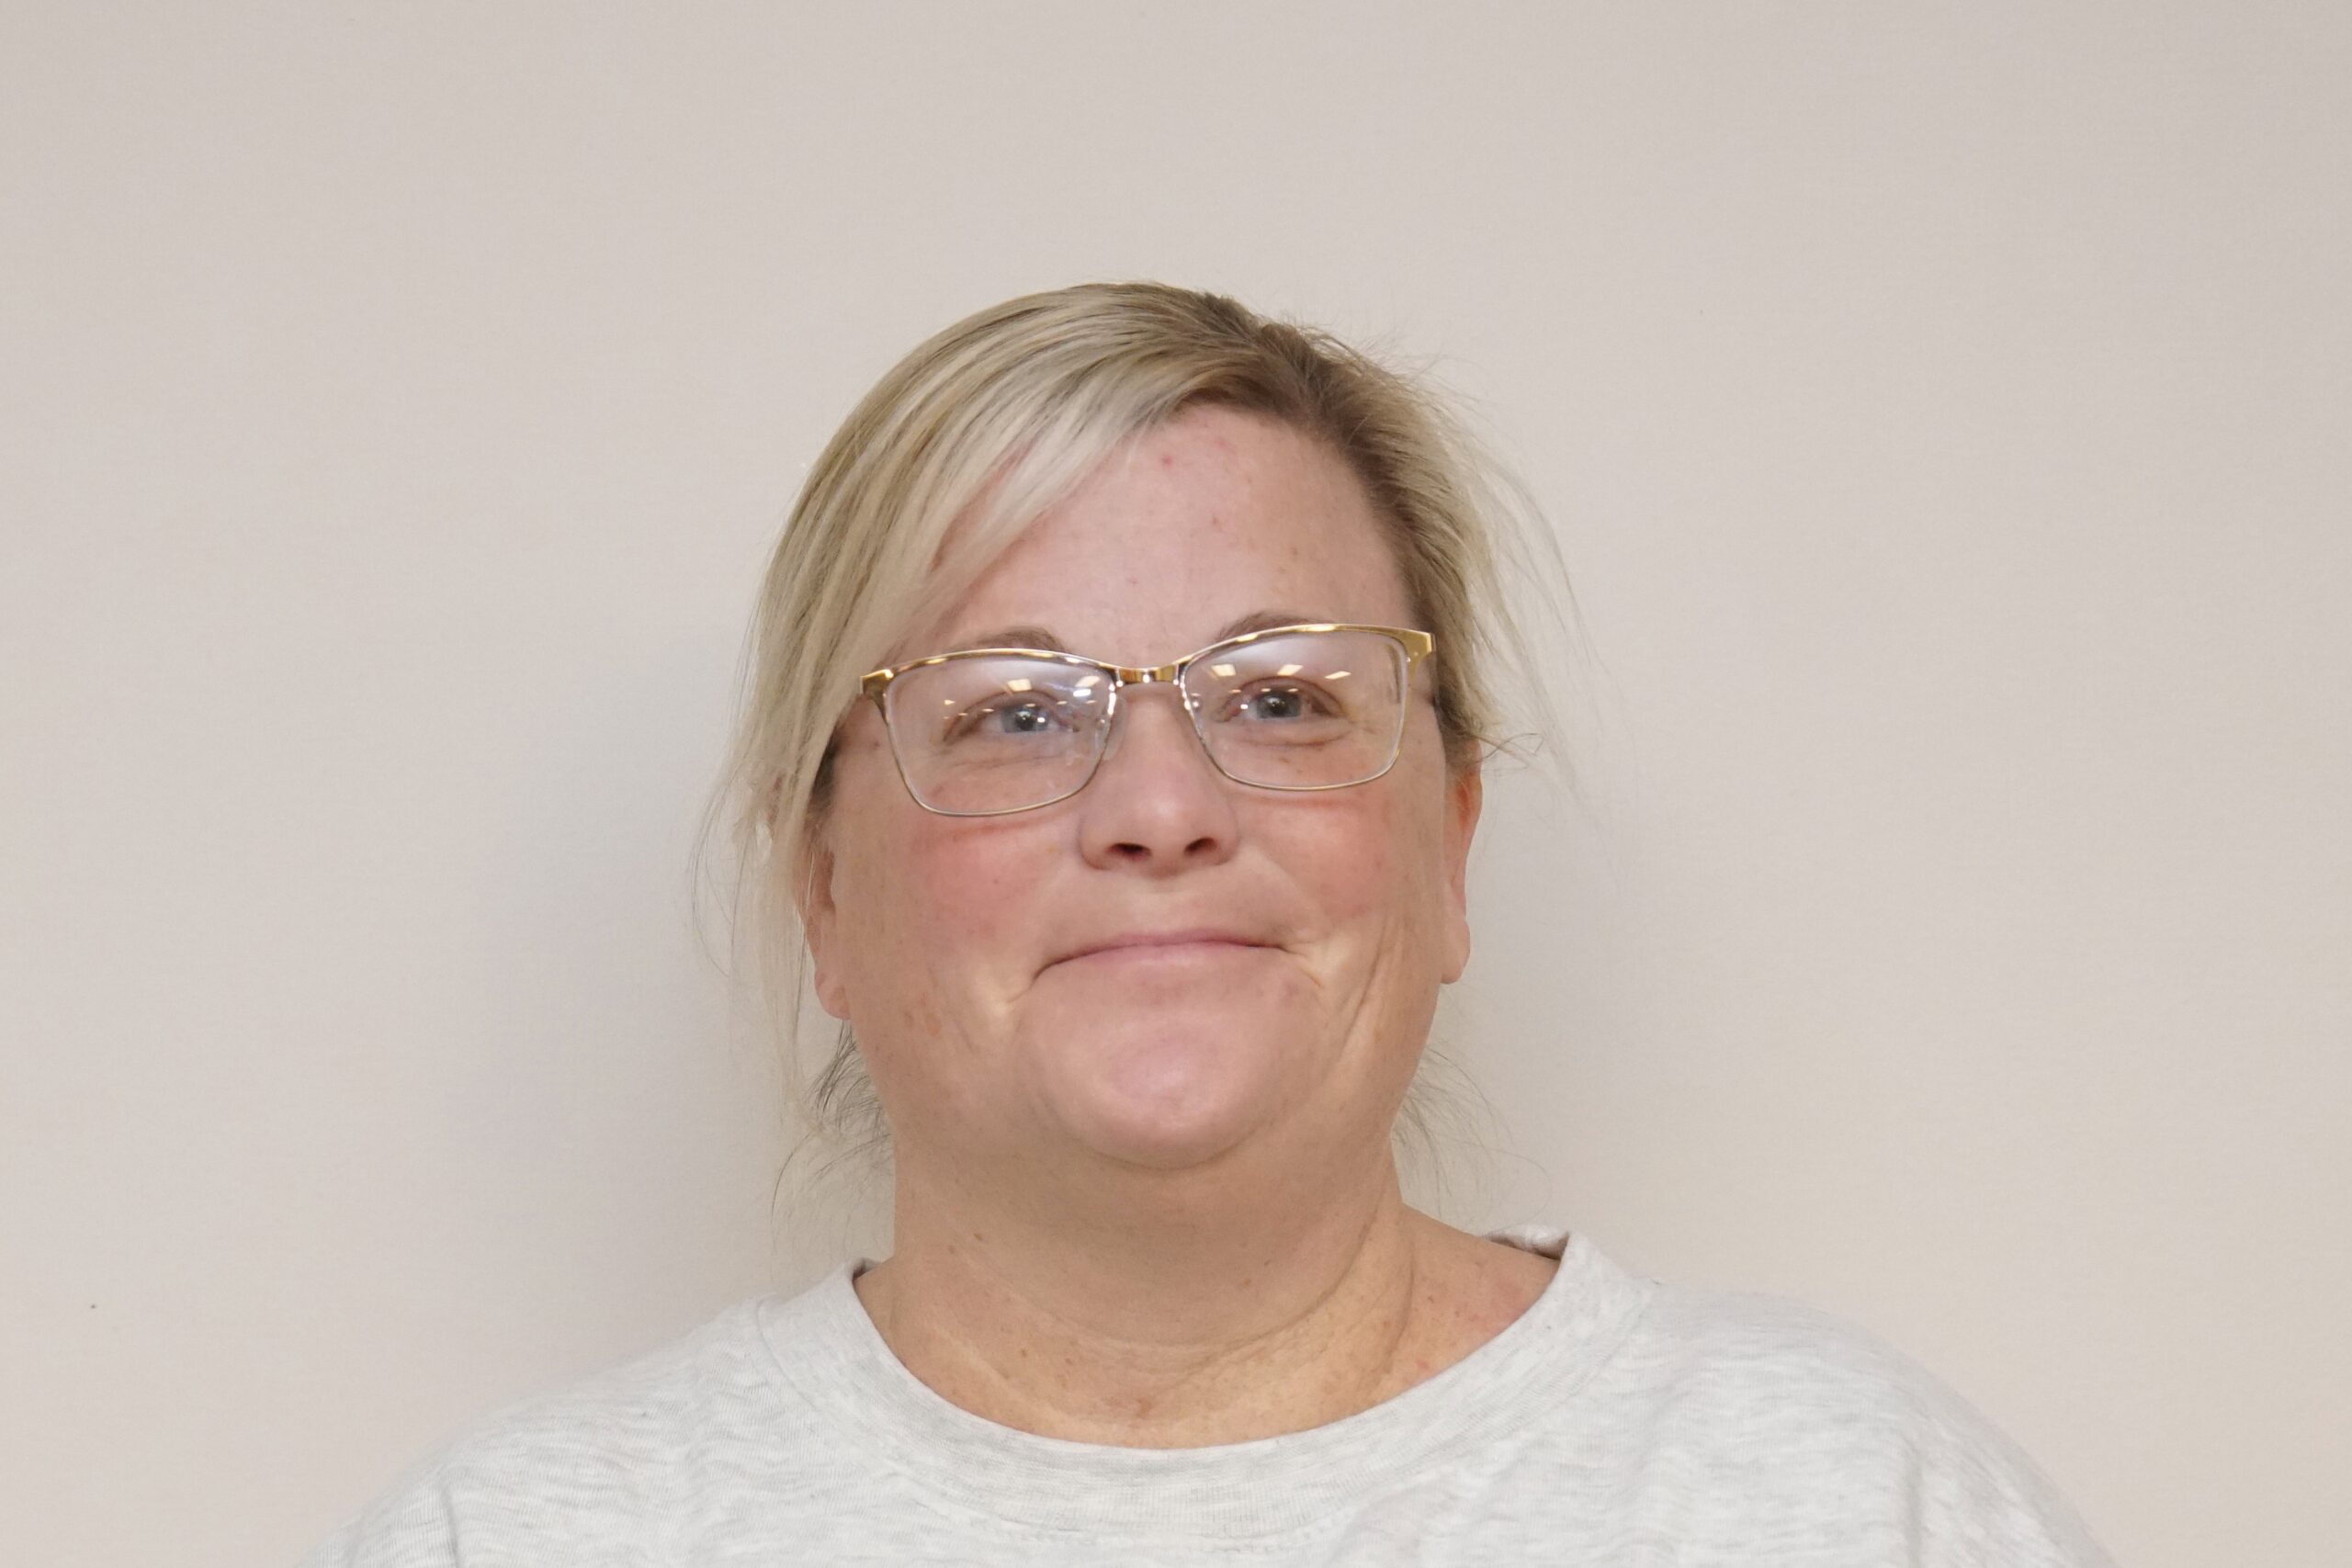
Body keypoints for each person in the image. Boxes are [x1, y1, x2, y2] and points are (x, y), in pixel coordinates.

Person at [300, 282, 2116, 1564]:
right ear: (826, 890)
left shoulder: (1848, 1507)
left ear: (1449, 841)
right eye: (1014, 711)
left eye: (1282, 696)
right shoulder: (513, 1541)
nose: (1161, 809)